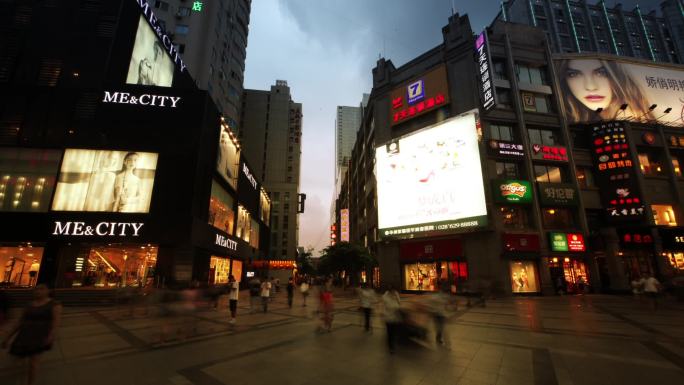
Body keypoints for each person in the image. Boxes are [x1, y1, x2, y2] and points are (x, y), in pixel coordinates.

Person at [558, 58, 655, 124]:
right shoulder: (574, 115)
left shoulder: (630, 114)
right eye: (573, 74)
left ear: (617, 75)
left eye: (601, 73)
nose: (590, 87)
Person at [2, 285, 62, 385]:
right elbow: (20, 321)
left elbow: (56, 322)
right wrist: (8, 337)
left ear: (48, 290)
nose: (38, 291)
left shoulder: (54, 305)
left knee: (34, 362)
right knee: (17, 359)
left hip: (39, 336)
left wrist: (51, 336)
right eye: (36, 289)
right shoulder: (29, 305)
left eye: (42, 289)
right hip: (24, 335)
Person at [382, 285, 401, 353]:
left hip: (396, 317)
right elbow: (387, 306)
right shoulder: (385, 297)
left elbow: (399, 303)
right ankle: (391, 347)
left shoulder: (396, 294)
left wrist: (397, 300)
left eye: (394, 291)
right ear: (389, 291)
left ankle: (393, 345)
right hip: (388, 318)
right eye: (392, 291)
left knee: (395, 332)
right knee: (390, 333)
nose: (394, 292)